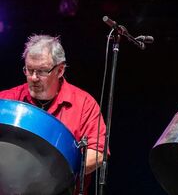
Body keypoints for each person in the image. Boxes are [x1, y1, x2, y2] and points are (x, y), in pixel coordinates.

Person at [0, 34, 107, 195]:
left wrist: (53, 174)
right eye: (29, 70)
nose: (34, 78)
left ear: (60, 70)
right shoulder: (6, 100)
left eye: (42, 71)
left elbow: (97, 153)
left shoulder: (84, 104)